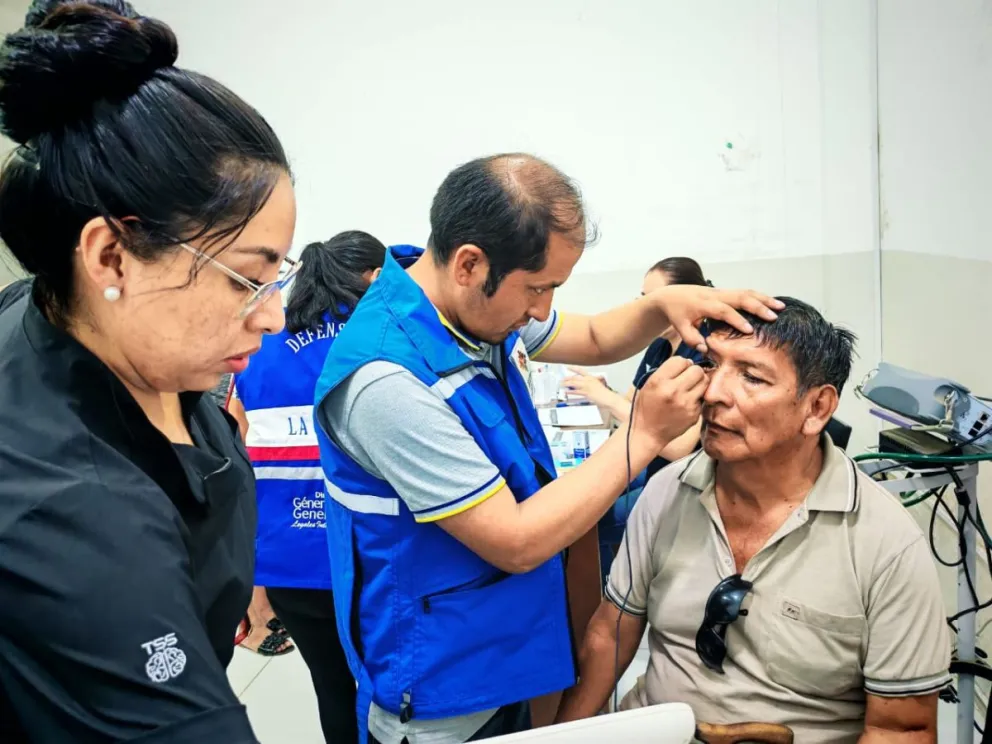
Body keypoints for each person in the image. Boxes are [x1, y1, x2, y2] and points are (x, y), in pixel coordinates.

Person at [313, 152, 784, 744]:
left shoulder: (467, 310)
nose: (541, 310)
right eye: (537, 288)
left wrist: (664, 304)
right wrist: (643, 434)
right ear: (468, 263)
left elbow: (590, 336)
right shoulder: (386, 381)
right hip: (441, 686)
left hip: (504, 645)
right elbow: (516, 540)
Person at [0, 1, 297, 741]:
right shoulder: (79, 514)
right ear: (109, 257)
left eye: (276, 277)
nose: (273, 316)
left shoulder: (64, 313)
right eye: (244, 280)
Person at [555, 298, 952, 743]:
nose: (713, 392)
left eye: (751, 377)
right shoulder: (667, 492)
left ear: (817, 408)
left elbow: (902, 728)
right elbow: (610, 632)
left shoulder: (884, 542)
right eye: (709, 363)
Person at [227, 232, 419, 743]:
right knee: (394, 694)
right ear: (373, 279)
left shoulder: (259, 343)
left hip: (289, 561)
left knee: (332, 688)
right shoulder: (378, 336)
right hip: (371, 558)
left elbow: (235, 450)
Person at [563, 257, 711, 480]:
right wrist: (606, 393)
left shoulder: (704, 355)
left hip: (679, 477)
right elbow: (634, 403)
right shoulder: (659, 345)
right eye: (644, 301)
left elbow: (680, 448)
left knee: (607, 511)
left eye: (657, 302)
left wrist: (607, 399)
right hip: (650, 462)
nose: (648, 312)